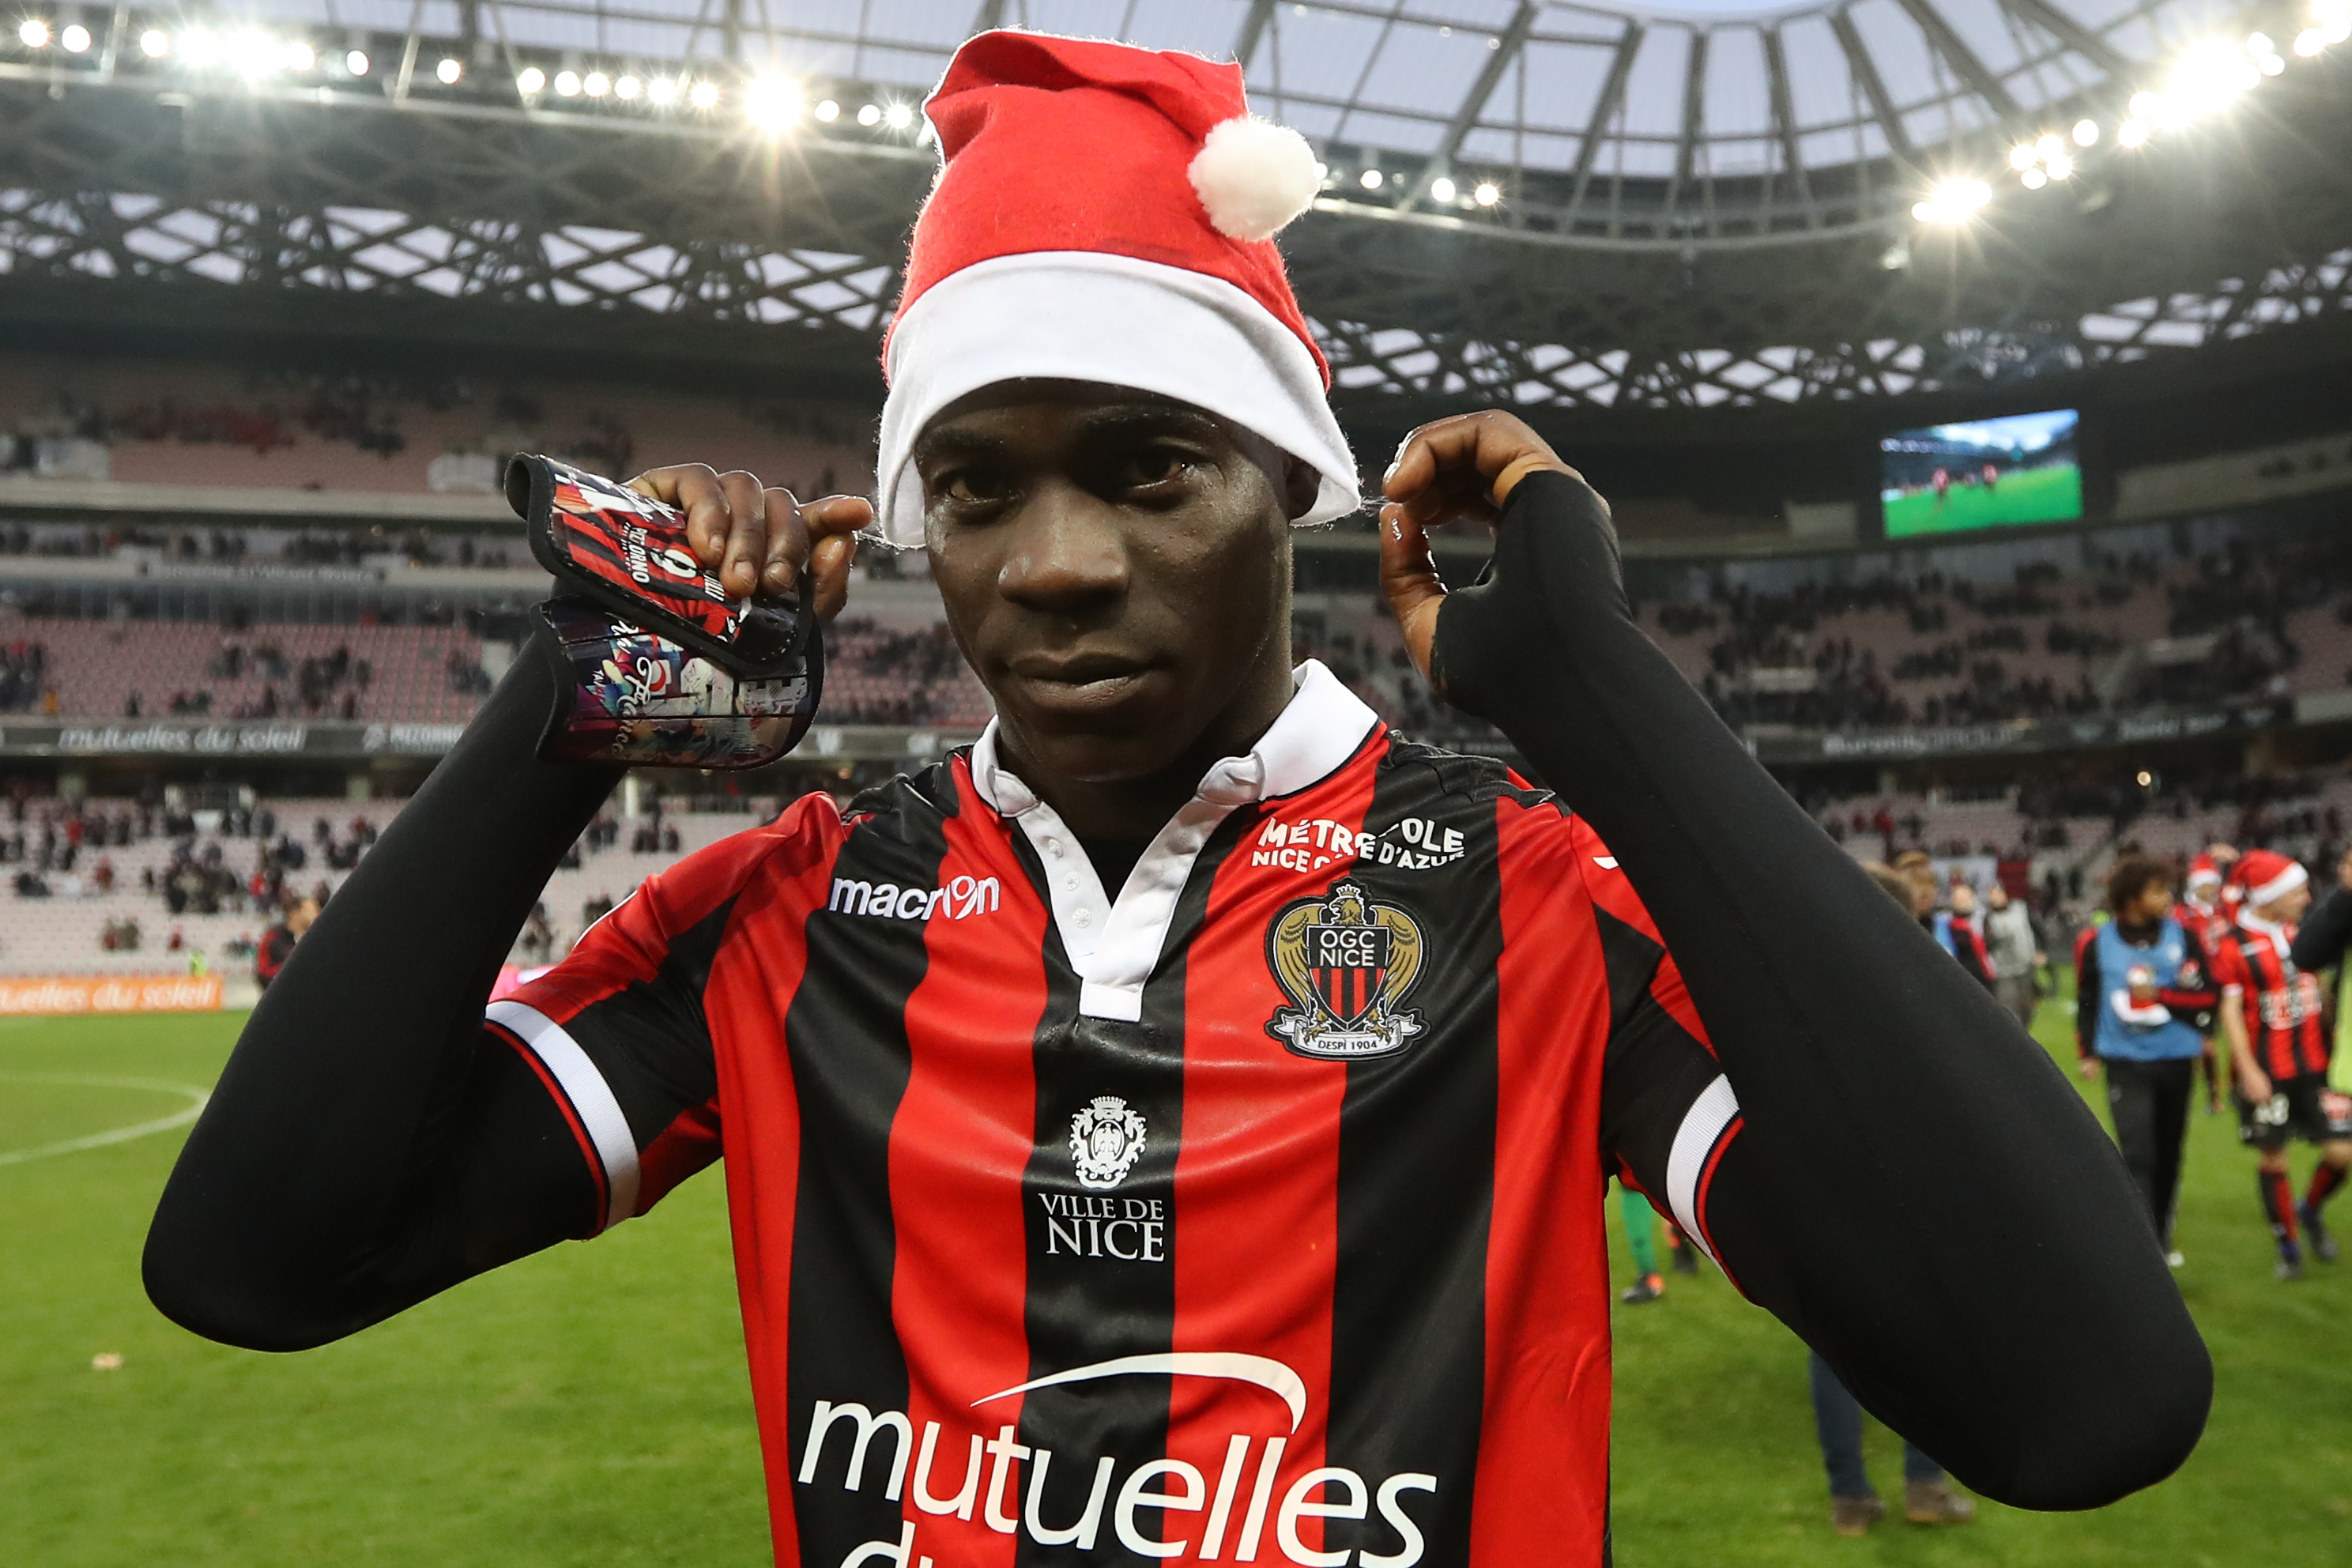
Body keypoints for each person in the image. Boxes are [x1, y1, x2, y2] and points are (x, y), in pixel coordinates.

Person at [141, 32, 2208, 1568]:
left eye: (1148, 469)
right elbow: (258, 1263)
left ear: (1293, 491)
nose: (1049, 560)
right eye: (977, 484)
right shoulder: (795, 909)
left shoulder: (1527, 898)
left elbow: (2082, 1398)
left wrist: (1605, 698)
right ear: (915, 520)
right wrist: (580, 696)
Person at [2211, 849, 2351, 1280]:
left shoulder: (2309, 932)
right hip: (2267, 1070)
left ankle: (2309, 1210)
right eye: (2298, 891)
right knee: (2274, 1160)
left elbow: (2326, 987)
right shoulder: (2234, 943)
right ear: (2271, 896)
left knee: (2342, 1152)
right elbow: (2231, 1011)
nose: (2307, 898)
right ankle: (2288, 1248)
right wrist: (2249, 1069)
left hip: (2317, 1066)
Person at [2074, 856, 2214, 1262]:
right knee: (2137, 1152)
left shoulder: (2184, 937)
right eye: (2158, 890)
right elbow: (2087, 999)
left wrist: (2164, 998)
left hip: (2175, 1059)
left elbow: (2208, 996)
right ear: (2133, 898)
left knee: (2169, 1153)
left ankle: (2161, 1230)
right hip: (2124, 1060)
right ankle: (2145, 1244)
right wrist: (2087, 1051)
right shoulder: (2096, 941)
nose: (2168, 897)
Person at [1981, 880, 2046, 1031]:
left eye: (1997, 894)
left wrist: (2041, 950)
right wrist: (1994, 939)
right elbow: (1987, 944)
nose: (1995, 898)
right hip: (2004, 971)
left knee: (2027, 1009)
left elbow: (2038, 928)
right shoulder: (1989, 918)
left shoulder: (2021, 909)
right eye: (1992, 895)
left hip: (2025, 966)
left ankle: (2024, 1033)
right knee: (2009, 1010)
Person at [251, 895, 318, 992]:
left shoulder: (314, 938)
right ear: (295, 913)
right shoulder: (273, 937)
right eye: (310, 911)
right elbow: (263, 972)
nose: (316, 915)